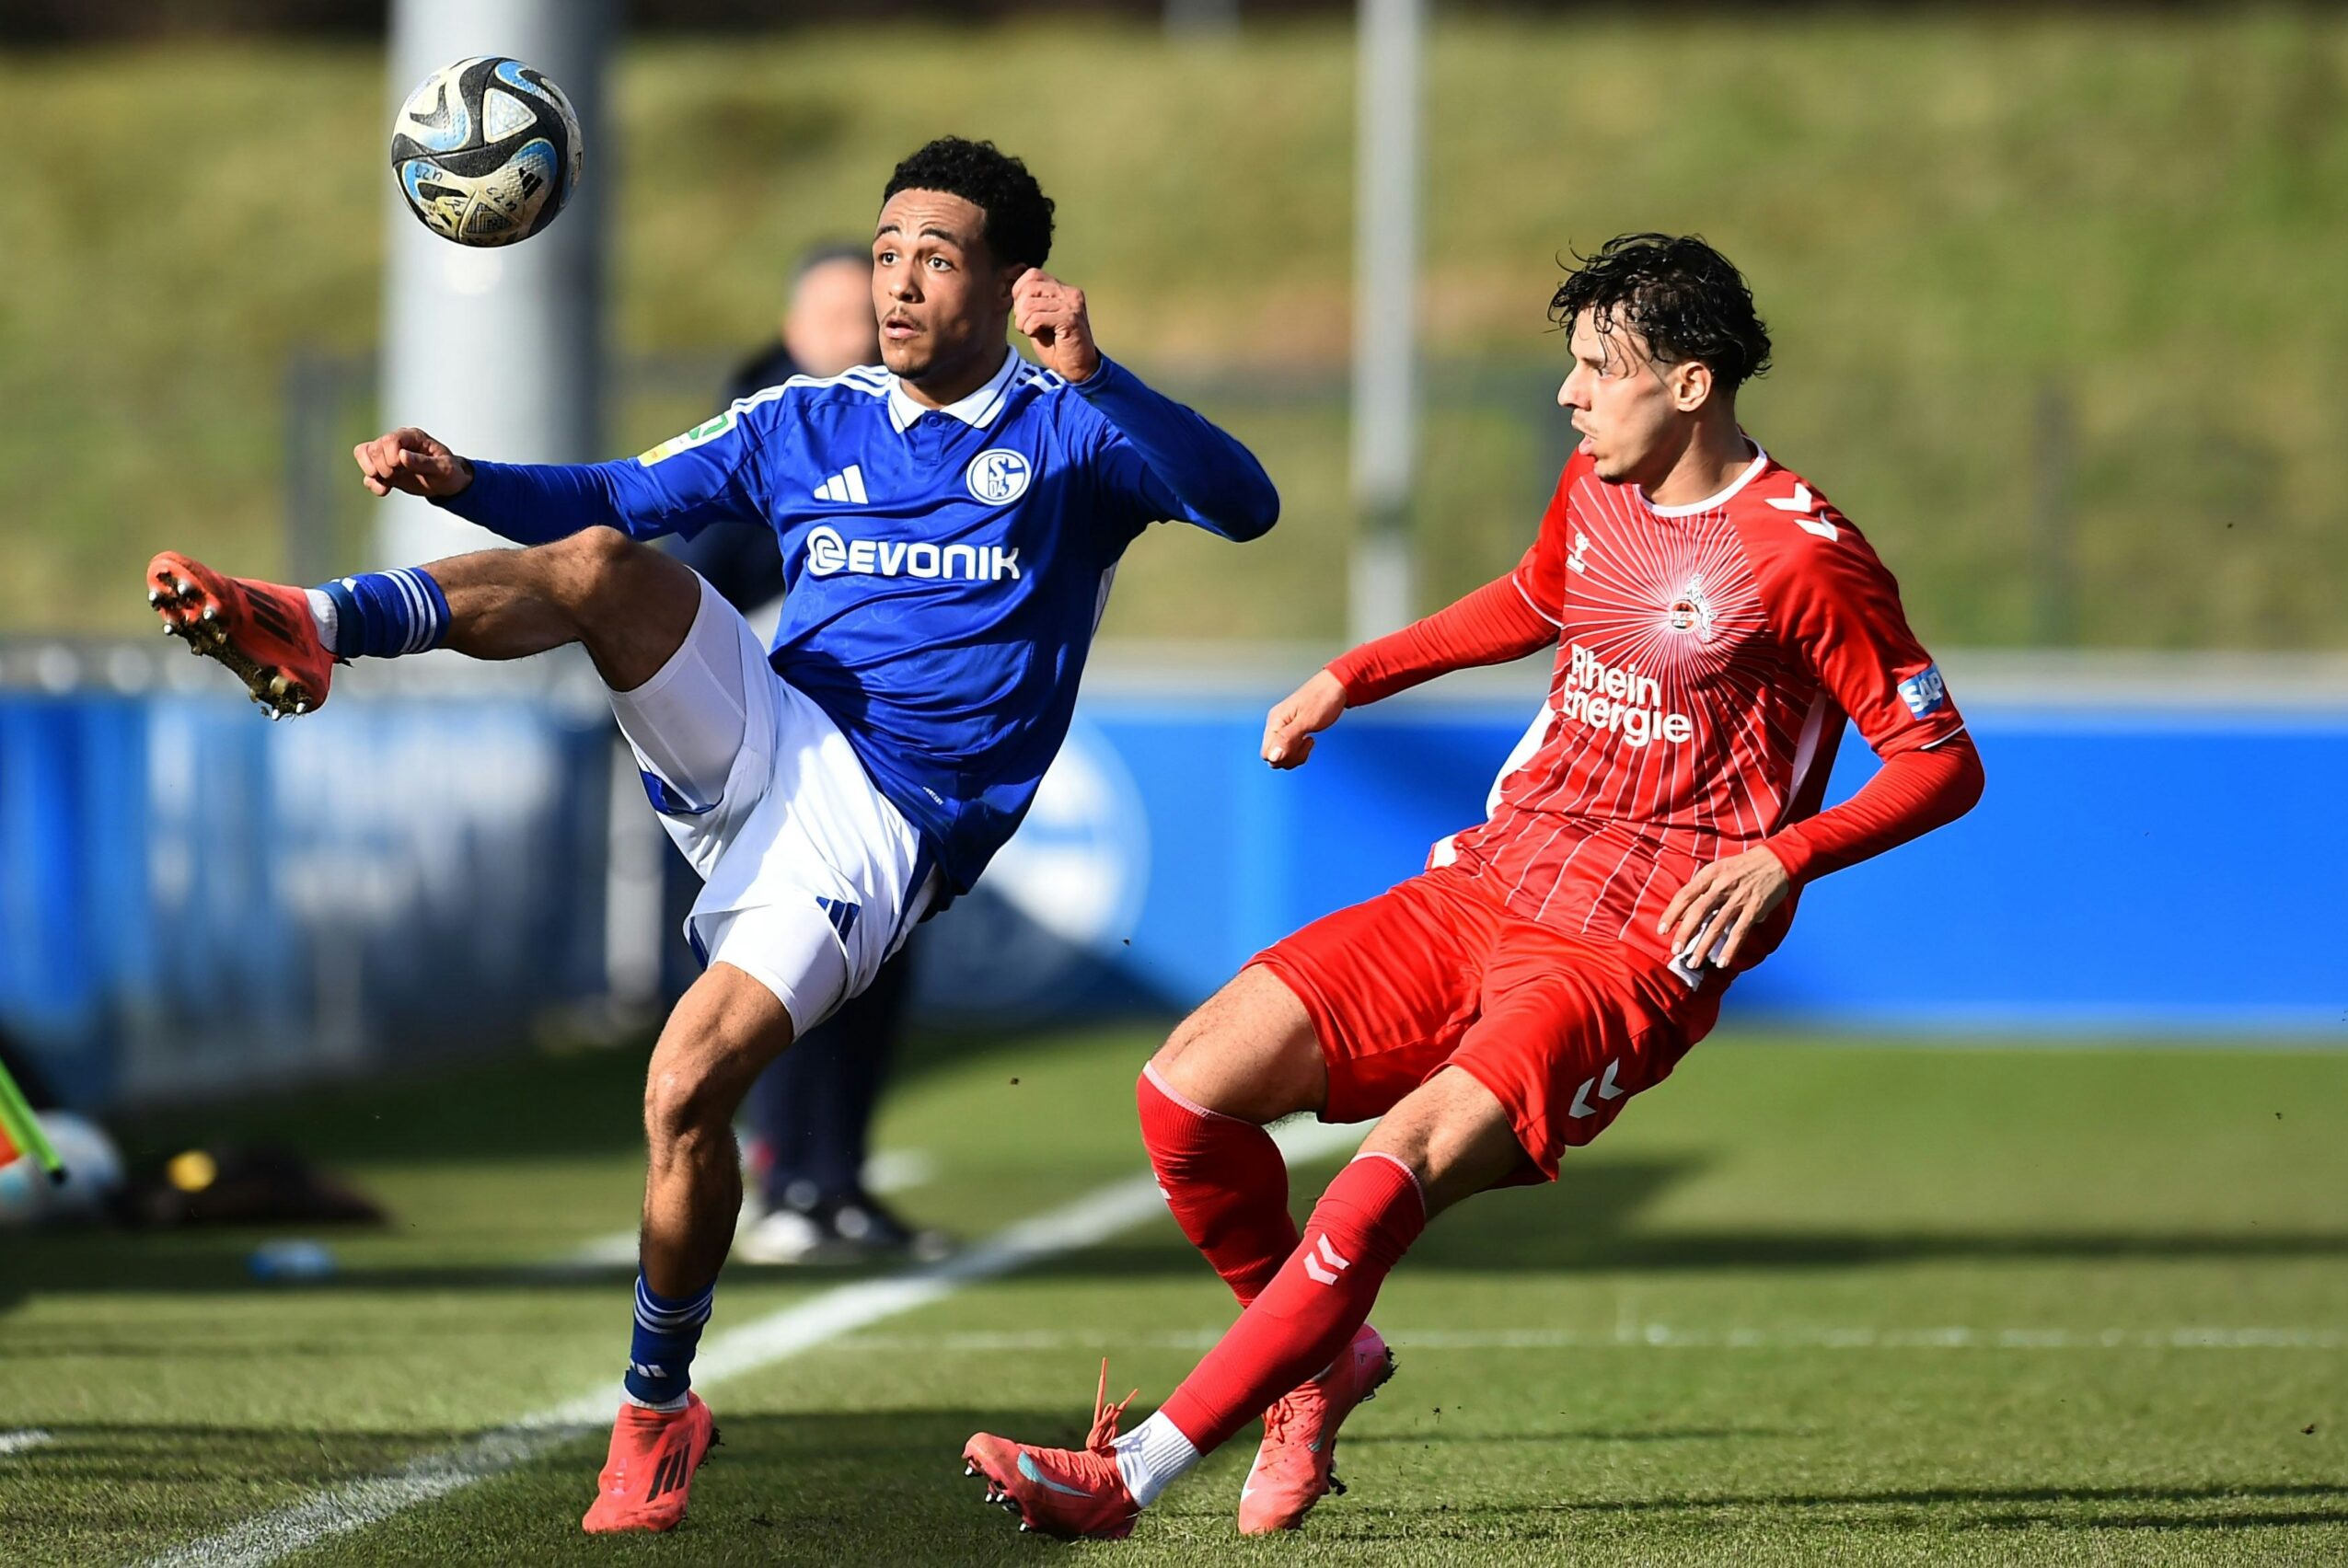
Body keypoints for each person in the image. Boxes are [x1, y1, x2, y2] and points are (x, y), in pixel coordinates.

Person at [142, 135, 1278, 1536]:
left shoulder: (1075, 435)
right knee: (612, 571)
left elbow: (1246, 503)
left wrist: (1098, 371)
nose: (900, 282)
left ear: (1011, 281)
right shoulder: (811, 417)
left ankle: (655, 1405)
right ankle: (316, 626)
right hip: (769, 733)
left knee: (684, 1089)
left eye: (936, 256)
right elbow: (613, 496)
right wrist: (462, 476)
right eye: (885, 253)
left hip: (888, 828)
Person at [960, 234, 1985, 1541]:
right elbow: (1529, 601)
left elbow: (1941, 762)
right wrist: (1353, 674)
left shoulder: (1803, 553)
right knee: (1186, 1092)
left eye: (1595, 370)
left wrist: (1784, 854)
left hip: (1632, 945)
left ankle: (1137, 1474)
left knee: (1388, 1172)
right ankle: (1315, 1358)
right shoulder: (1600, 485)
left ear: (1688, 383)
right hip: (1493, 876)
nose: (1567, 394)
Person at [668, 240, 942, 1264]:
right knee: (768, 973)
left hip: (880, 760)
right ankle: (778, 1177)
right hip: (755, 757)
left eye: (866, 315)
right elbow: (685, 587)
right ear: (790, 332)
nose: (857, 334)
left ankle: (839, 1181)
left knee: (878, 971)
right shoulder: (754, 435)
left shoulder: (925, 432)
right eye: (835, 315)